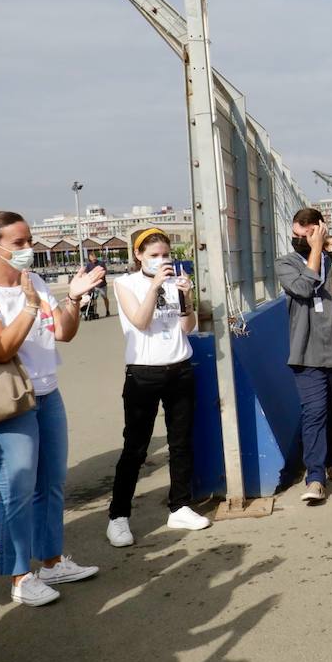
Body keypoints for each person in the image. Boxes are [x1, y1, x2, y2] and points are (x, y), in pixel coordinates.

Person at [0, 211, 103, 606]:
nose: (28, 249)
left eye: (29, 240)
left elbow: (64, 333)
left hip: (47, 393)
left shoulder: (35, 280)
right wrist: (26, 307)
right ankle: (20, 577)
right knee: (16, 490)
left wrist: (72, 298)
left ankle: (52, 561)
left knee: (51, 482)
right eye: (18, 243)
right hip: (7, 402)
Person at [105, 228, 210, 547]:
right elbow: (139, 320)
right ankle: (118, 516)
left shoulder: (174, 281)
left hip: (179, 367)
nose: (161, 260)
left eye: (165, 255)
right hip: (143, 372)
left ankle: (180, 505)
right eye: (153, 255)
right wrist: (153, 285)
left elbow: (187, 326)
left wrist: (186, 297)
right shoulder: (125, 284)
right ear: (138, 256)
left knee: (181, 441)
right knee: (136, 446)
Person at [277, 208, 332, 504]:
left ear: (321, 230)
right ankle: (315, 477)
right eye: (295, 235)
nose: (298, 239)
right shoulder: (286, 263)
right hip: (306, 353)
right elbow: (303, 287)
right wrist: (314, 249)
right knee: (314, 413)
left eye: (307, 234)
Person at [83, 252, 110, 318]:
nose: (93, 259)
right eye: (92, 258)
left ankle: (107, 310)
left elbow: (105, 271)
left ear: (96, 257)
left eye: (94, 258)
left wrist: (101, 276)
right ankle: (95, 312)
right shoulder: (89, 265)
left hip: (102, 285)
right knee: (94, 299)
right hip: (94, 286)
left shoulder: (101, 263)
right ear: (90, 258)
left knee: (105, 297)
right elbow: (86, 273)